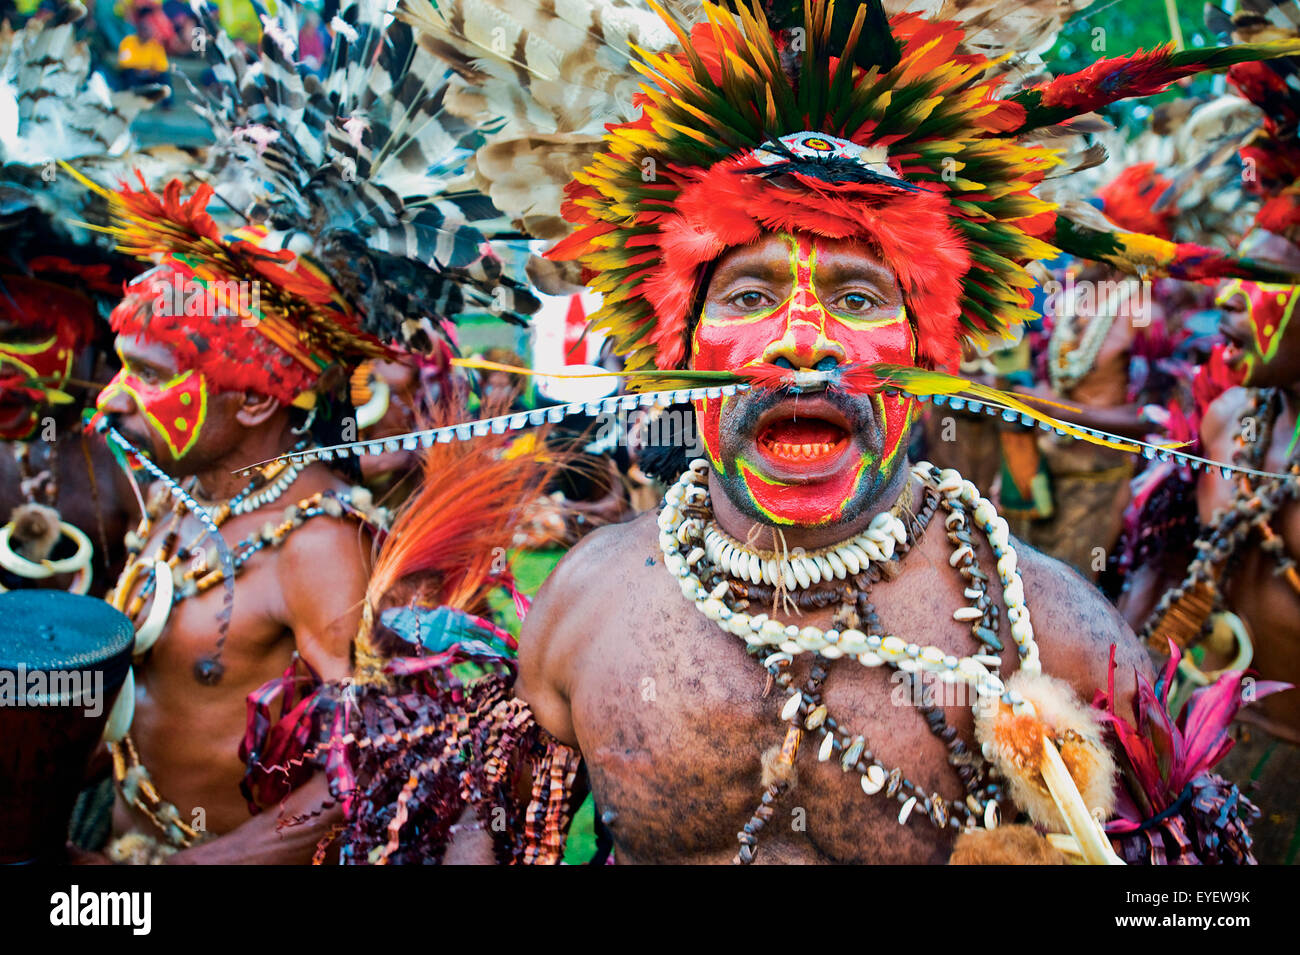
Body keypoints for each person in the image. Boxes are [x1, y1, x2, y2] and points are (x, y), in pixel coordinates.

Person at [404, 0, 1300, 863]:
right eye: (750, 294)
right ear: (676, 345)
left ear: (930, 350)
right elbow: (495, 833)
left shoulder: (1056, 636)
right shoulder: (585, 603)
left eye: (859, 297)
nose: (803, 340)